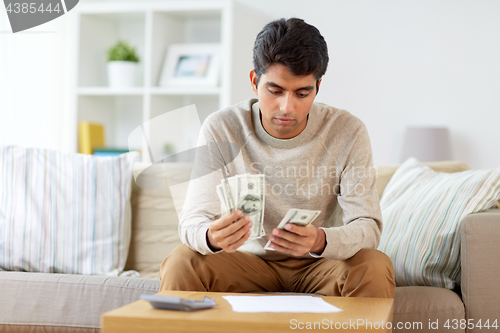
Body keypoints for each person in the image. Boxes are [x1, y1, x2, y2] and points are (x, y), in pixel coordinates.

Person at [159, 18, 395, 298]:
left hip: (321, 264)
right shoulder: (221, 127)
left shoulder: (348, 131)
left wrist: (319, 239)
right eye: (275, 91)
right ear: (254, 81)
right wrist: (211, 236)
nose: (287, 107)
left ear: (318, 86)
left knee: (374, 265)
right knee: (182, 262)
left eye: (302, 93)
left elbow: (368, 227)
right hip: (245, 263)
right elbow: (192, 222)